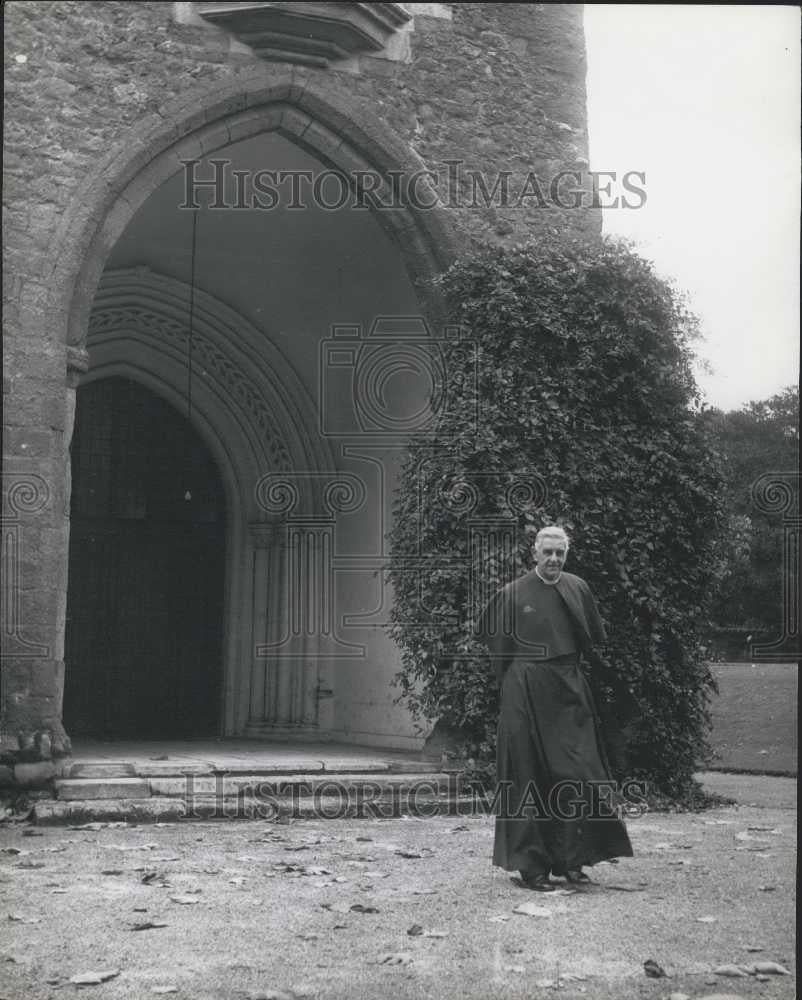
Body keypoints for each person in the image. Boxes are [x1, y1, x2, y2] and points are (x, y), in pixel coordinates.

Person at [476, 525, 633, 891]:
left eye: (560, 553)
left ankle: (572, 860)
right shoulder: (511, 595)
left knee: (578, 775)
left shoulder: (578, 588)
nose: (553, 559)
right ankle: (532, 868)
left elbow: (589, 640)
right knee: (526, 775)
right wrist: (517, 691)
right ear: (534, 553)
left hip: (568, 691)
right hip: (526, 690)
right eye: (547, 552)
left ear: (566, 554)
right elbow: (499, 655)